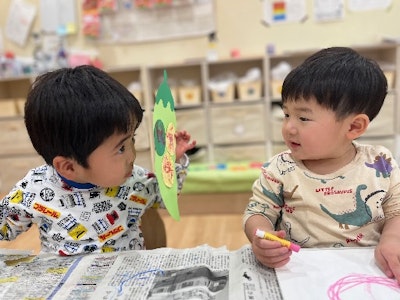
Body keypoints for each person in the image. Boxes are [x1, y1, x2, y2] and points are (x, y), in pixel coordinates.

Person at [0, 65, 196, 256]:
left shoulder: (133, 179)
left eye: (132, 140)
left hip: (126, 280)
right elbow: (5, 228)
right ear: (69, 167)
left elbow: (164, 197)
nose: (132, 155)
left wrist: (173, 160)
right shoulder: (34, 189)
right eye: (120, 148)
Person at [243, 47, 400, 282]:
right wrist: (262, 237)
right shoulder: (280, 168)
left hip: (367, 271)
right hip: (299, 274)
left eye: (303, 118)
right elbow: (258, 211)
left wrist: (392, 239)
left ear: (354, 127)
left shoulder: (379, 163)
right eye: (286, 114)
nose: (289, 127)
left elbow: (396, 210)